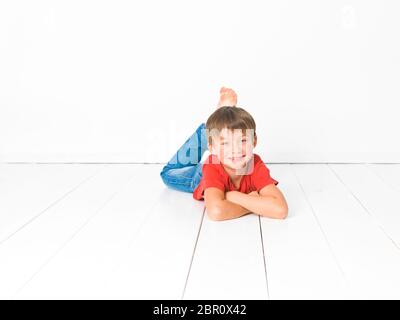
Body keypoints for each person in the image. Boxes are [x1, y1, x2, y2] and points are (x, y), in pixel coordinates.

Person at [160, 87, 288, 221]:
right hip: (203, 173)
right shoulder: (212, 167)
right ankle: (210, 128)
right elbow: (216, 212)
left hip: (221, 158)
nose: (236, 149)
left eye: (243, 140)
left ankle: (218, 128)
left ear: (254, 141)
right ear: (213, 149)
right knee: (168, 173)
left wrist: (235, 196)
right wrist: (254, 203)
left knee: (217, 136)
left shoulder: (255, 163)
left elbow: (280, 210)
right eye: (226, 143)